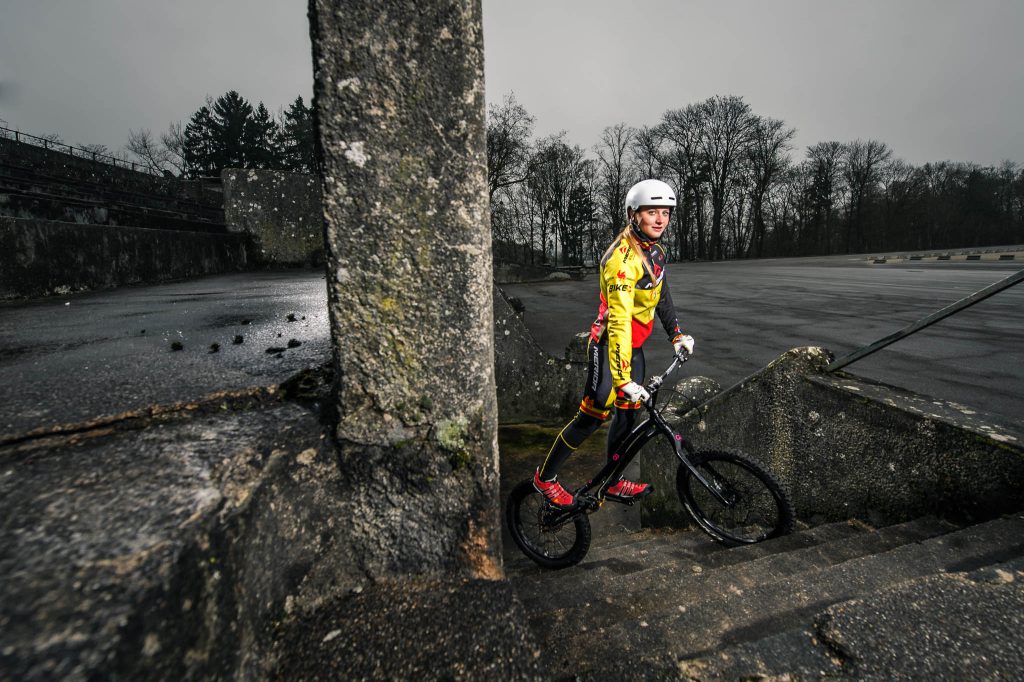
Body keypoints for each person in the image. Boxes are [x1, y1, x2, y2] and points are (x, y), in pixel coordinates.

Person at [533, 179, 694, 508]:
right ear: (634, 214)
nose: (661, 219)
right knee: (592, 417)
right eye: (652, 212)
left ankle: (613, 482)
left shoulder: (656, 251)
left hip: (632, 348)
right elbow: (619, 323)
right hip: (608, 347)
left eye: (665, 212)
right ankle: (544, 478)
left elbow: (661, 295)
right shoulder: (621, 260)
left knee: (629, 414)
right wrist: (623, 380)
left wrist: (676, 334)